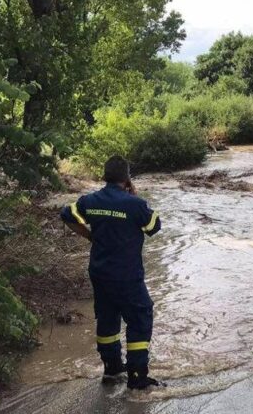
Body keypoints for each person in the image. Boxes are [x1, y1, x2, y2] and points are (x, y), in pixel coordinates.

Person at [60, 156, 164, 390]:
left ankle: (112, 368)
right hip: (127, 275)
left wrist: (88, 235)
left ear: (104, 176)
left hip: (100, 273)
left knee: (107, 320)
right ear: (127, 178)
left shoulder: (90, 200)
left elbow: (67, 215)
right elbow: (154, 227)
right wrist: (134, 197)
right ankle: (137, 376)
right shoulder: (134, 204)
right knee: (139, 318)